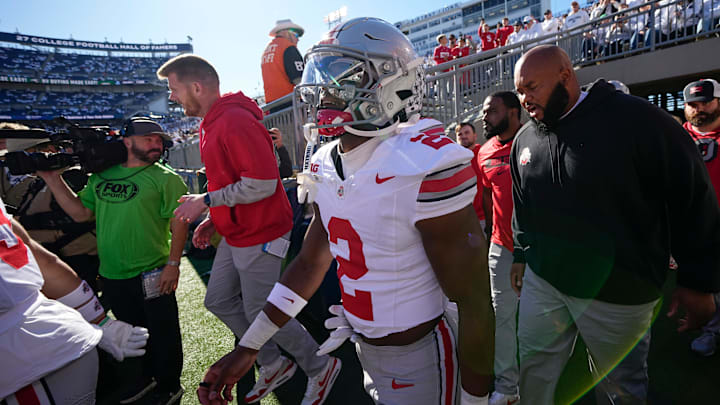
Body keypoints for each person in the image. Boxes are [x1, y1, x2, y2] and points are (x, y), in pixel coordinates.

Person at [197, 17, 495, 405]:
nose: (325, 93)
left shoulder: (423, 163)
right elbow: (310, 262)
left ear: (392, 83)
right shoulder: (325, 160)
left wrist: (475, 400)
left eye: (342, 77)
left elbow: (473, 301)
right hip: (363, 347)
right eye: (323, 74)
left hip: (421, 356)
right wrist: (251, 344)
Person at [510, 45, 720, 404]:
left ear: (566, 76)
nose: (524, 99)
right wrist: (520, 251)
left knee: (619, 389)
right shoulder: (525, 139)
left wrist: (698, 282)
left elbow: (693, 198)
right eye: (519, 91)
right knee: (532, 369)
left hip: (619, 292)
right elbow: (523, 203)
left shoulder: (637, 120)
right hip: (545, 282)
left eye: (531, 87)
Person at [157, 54, 339, 405]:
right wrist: (214, 218)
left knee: (262, 310)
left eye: (174, 89)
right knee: (218, 299)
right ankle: (272, 362)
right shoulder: (211, 123)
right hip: (239, 231)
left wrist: (207, 201)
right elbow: (237, 182)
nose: (173, 97)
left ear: (197, 87)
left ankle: (320, 365)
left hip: (262, 231)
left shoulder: (233, 121)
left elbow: (262, 184)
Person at [38, 118, 189, 405]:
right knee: (131, 331)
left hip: (153, 270)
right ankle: (146, 380)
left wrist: (173, 264)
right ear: (127, 141)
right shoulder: (101, 176)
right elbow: (82, 213)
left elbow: (179, 223)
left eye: (159, 140)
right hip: (112, 272)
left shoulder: (166, 178)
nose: (156, 144)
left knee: (163, 331)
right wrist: (53, 179)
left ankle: (169, 386)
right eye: (148, 139)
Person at [0, 197, 149, 405]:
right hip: (62, 339)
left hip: (26, 363)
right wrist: (97, 319)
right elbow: (43, 261)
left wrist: (99, 321)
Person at [0, 124, 100, 292]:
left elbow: (79, 217)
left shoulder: (74, 177)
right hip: (43, 260)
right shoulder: (39, 181)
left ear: (49, 150)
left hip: (74, 262)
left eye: (26, 155)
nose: (18, 163)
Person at [477, 92, 523, 405]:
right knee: (503, 319)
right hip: (501, 247)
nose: (485, 117)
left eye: (492, 111)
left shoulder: (540, 138)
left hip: (543, 247)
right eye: (484, 111)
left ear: (513, 111)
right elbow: (487, 200)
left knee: (549, 319)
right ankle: (508, 388)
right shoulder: (483, 151)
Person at [681, 78, 720, 357]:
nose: (699, 109)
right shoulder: (673, 136)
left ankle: (712, 330)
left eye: (705, 101)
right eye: (693, 104)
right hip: (688, 226)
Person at [261, 19, 305, 111]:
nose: (298, 39)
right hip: (291, 105)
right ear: (286, 32)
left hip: (273, 108)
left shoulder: (266, 51)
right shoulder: (288, 47)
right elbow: (300, 80)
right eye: (295, 34)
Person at [455, 123, 487, 231]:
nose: (463, 136)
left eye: (467, 132)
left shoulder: (485, 154)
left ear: (475, 135)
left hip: (484, 218)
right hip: (462, 220)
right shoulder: (454, 162)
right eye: (460, 134)